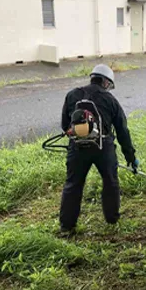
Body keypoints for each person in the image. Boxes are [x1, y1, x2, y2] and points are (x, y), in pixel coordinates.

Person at [60, 64, 139, 234]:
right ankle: (112, 218)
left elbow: (65, 125)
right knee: (110, 182)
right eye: (109, 85)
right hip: (103, 148)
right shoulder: (110, 100)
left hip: (77, 147)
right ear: (105, 82)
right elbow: (122, 131)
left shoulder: (72, 95)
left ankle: (67, 226)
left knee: (73, 184)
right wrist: (131, 157)